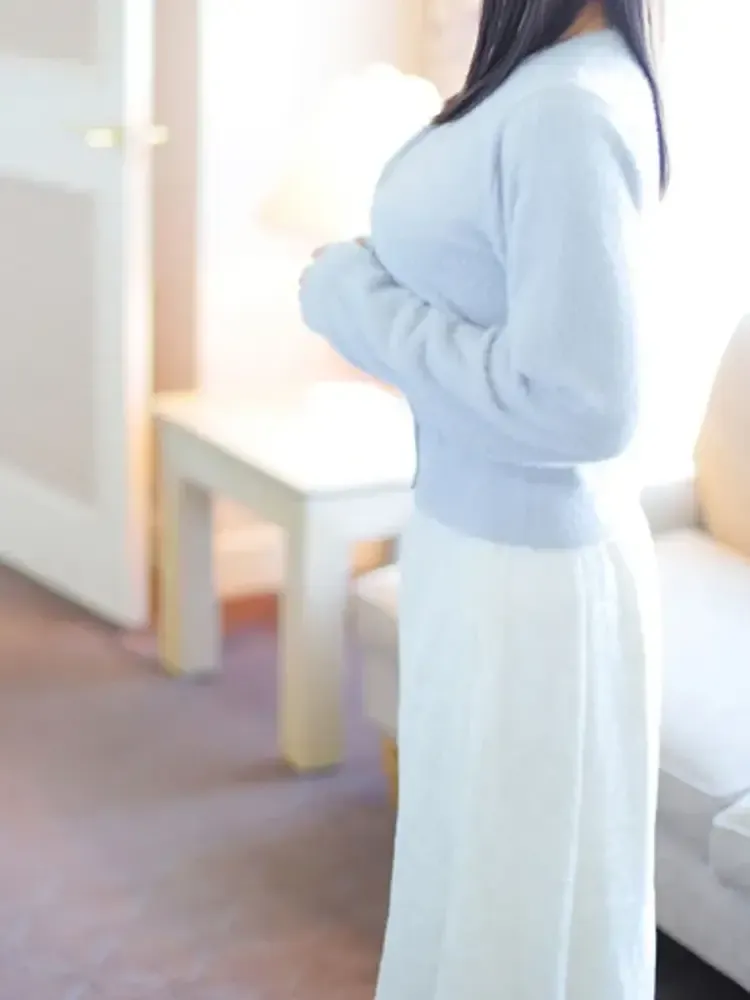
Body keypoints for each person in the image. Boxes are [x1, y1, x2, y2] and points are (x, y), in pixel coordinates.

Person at [299, 1, 667, 997]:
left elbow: (580, 401)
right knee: (473, 899)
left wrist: (350, 298)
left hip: (525, 582)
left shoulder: (566, 108)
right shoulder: (551, 81)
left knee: (507, 926)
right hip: (485, 551)